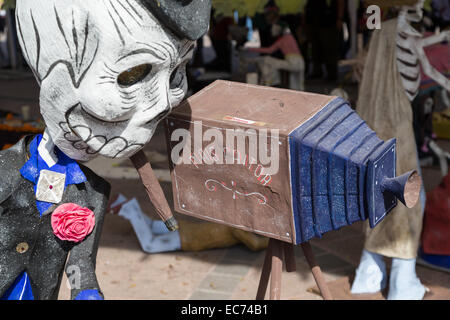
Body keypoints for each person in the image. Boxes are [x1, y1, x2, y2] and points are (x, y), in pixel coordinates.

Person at [305, 0, 345, 81]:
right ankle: (317, 71)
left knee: (330, 48)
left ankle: (332, 74)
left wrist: (340, 18)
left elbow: (341, 2)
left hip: (329, 21)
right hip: (313, 20)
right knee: (315, 48)